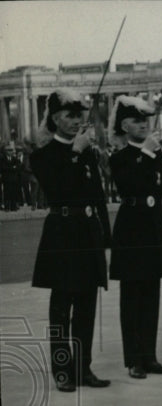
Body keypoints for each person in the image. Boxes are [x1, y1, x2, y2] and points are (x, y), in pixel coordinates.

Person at [30, 89, 112, 392]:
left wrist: (106, 240)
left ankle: (84, 367)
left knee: (87, 306)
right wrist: (75, 153)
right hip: (63, 234)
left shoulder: (88, 151)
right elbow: (58, 188)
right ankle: (63, 371)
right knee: (62, 308)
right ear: (55, 119)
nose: (77, 121)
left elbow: (98, 198)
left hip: (88, 234)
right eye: (69, 115)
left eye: (80, 115)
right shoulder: (44, 155)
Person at [107, 95, 162, 379]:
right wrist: (145, 154)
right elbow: (128, 185)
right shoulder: (120, 156)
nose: (144, 125)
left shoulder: (157, 153)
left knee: (151, 294)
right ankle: (133, 359)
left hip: (153, 227)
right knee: (132, 296)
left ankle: (149, 355)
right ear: (124, 125)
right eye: (137, 120)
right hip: (131, 229)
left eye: (146, 120)